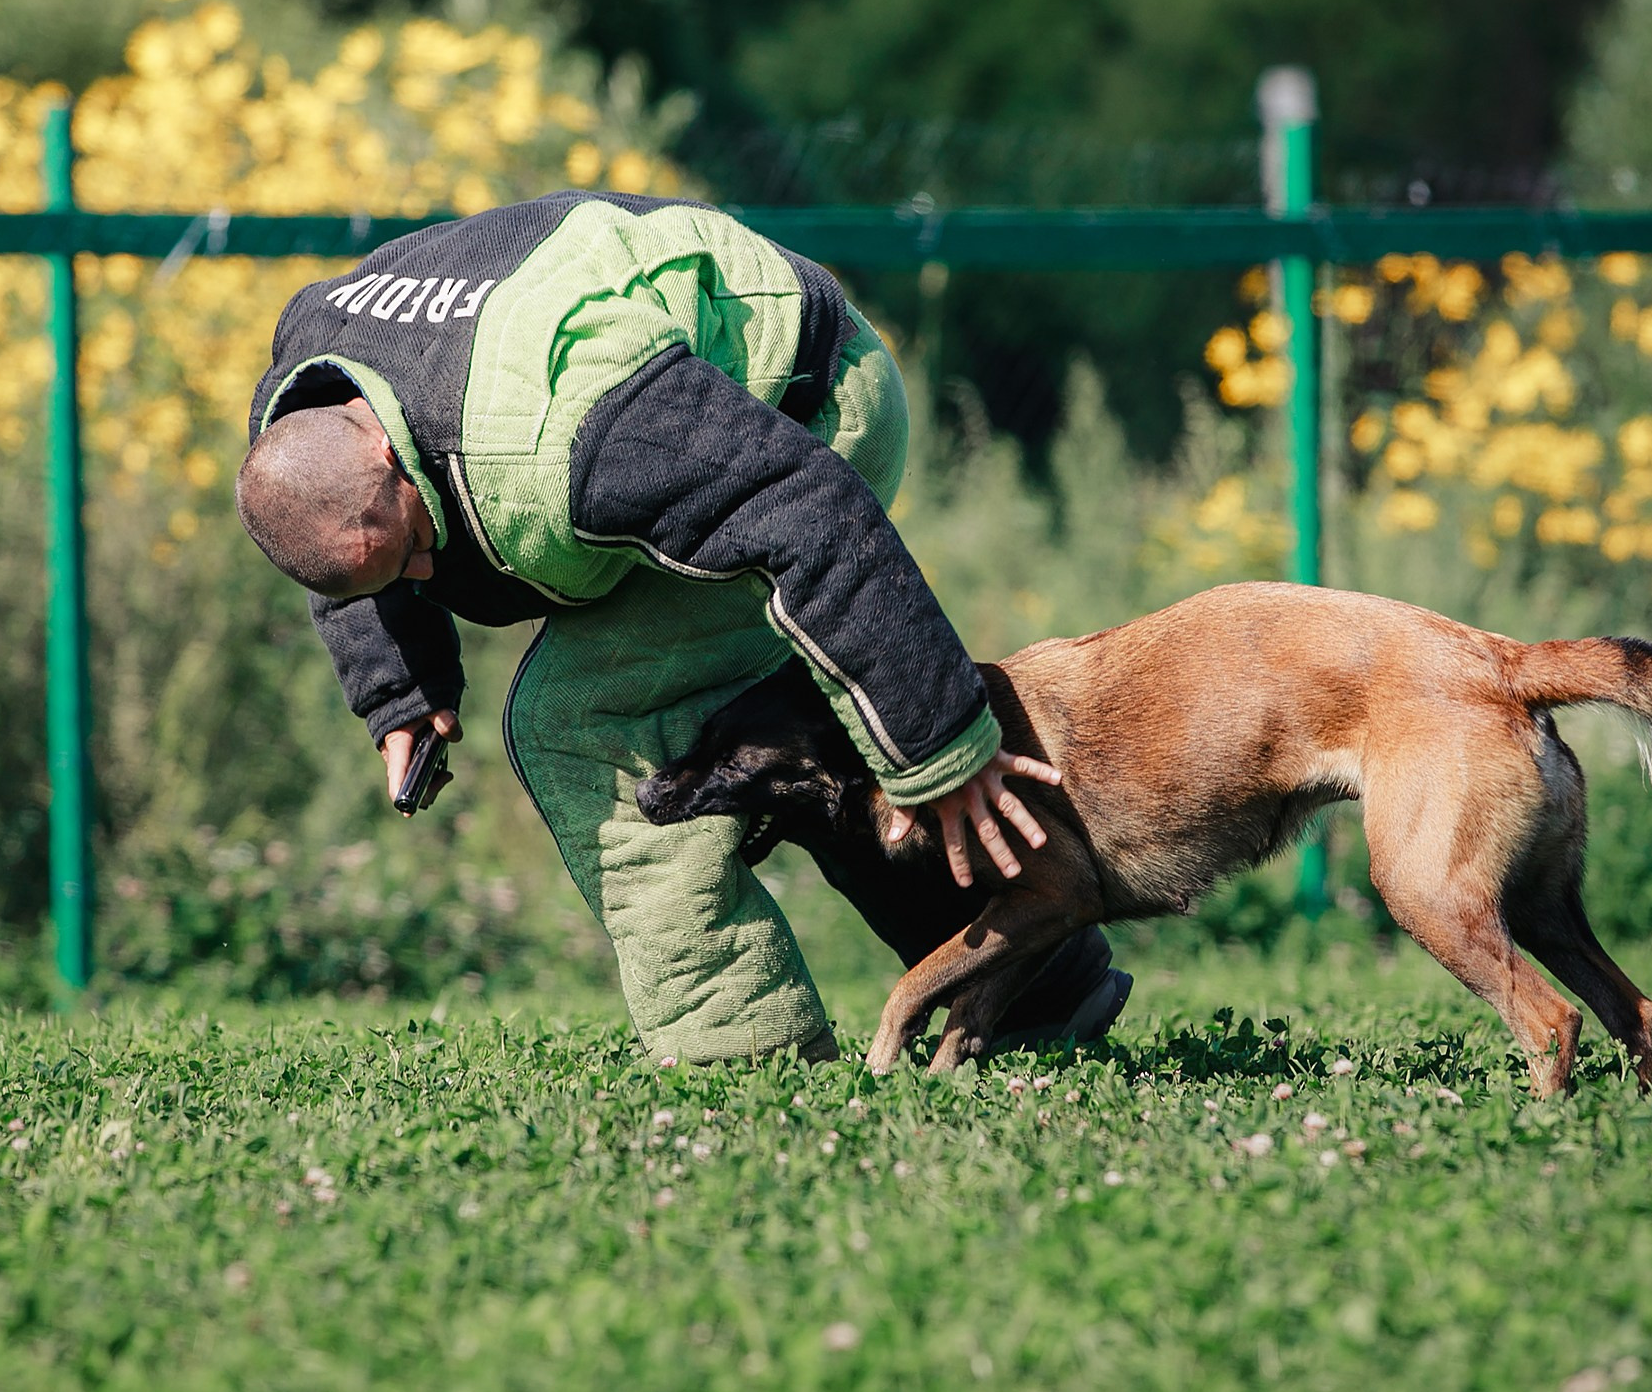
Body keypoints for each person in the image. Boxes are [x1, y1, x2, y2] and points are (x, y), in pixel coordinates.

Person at [234, 189, 1132, 1062]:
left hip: (806, 407)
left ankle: (743, 1054)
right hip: (667, 394)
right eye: (400, 573)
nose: (427, 575)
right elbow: (342, 534)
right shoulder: (306, 399)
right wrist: (398, 686)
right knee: (779, 725)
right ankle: (1040, 979)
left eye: (420, 546)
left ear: (387, 448)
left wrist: (941, 744)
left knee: (582, 725)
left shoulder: (577, 428)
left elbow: (809, 512)